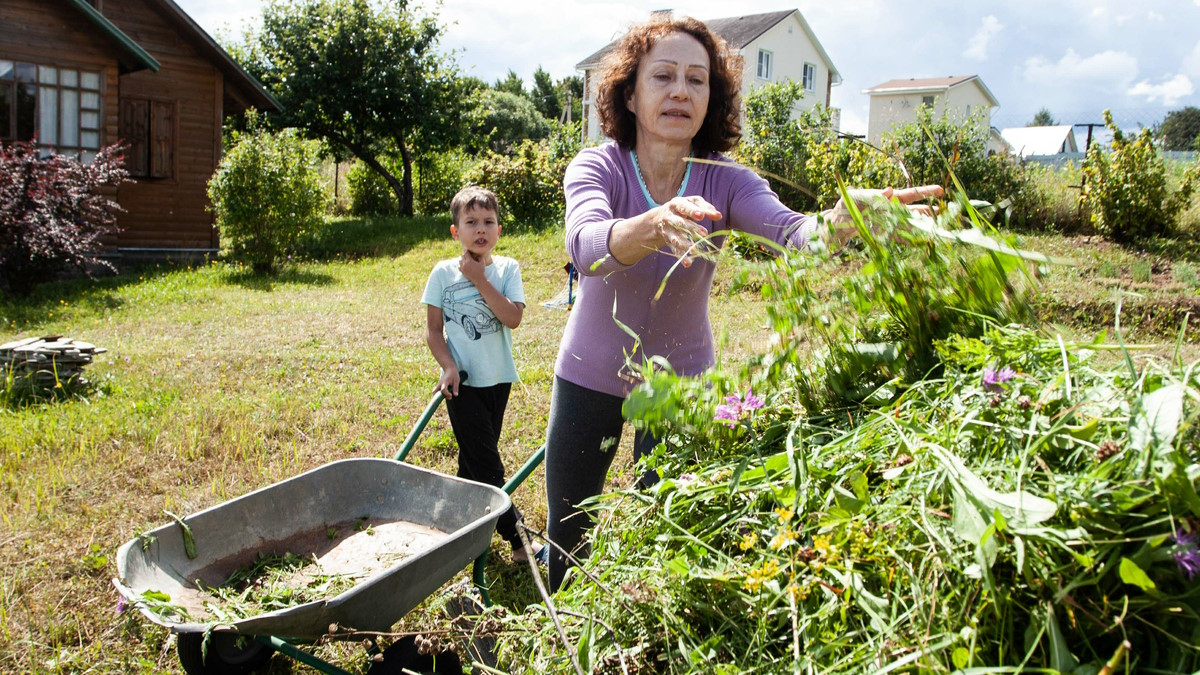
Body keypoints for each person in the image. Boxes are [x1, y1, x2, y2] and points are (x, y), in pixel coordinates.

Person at [544, 14, 943, 590]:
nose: (681, 90)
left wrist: (845, 218)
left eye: (697, 80)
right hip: (590, 375)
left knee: (664, 538)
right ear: (630, 94)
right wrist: (653, 226)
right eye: (663, 77)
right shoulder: (598, 166)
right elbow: (587, 248)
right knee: (569, 536)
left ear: (713, 96)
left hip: (683, 386)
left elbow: (792, 235)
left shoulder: (727, 181)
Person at [423, 186, 545, 564]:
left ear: (499, 230)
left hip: (499, 380)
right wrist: (448, 366)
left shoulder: (507, 269)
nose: (480, 229)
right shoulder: (442, 274)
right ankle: (521, 540)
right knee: (489, 464)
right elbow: (432, 330)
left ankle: (459, 527)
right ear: (454, 231)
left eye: (488, 222)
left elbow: (513, 317)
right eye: (471, 222)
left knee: (474, 462)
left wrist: (480, 279)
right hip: (463, 385)